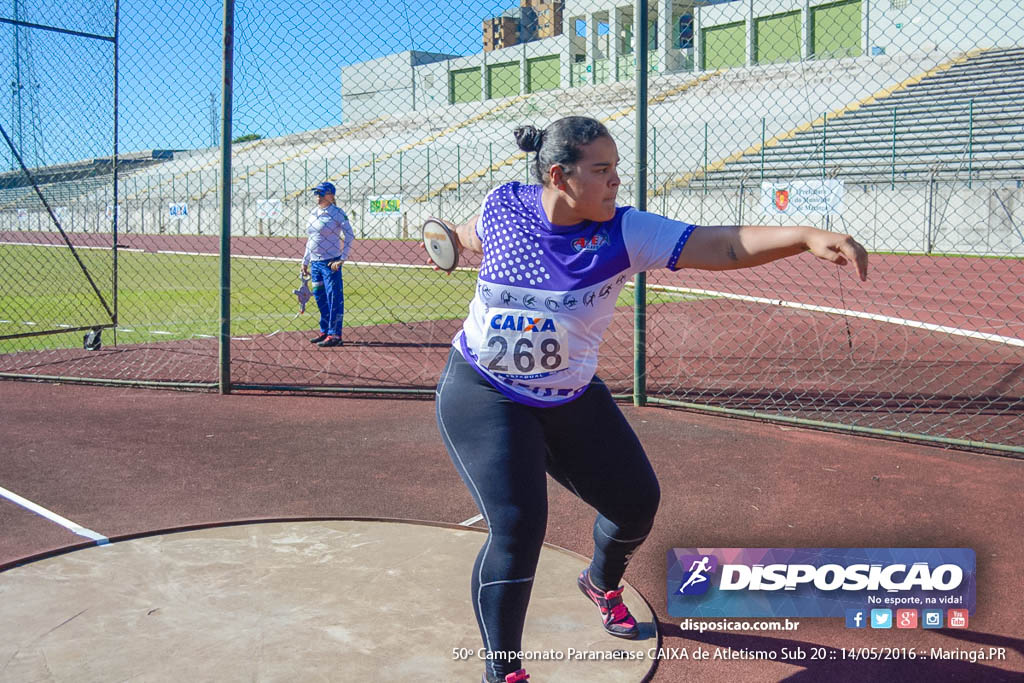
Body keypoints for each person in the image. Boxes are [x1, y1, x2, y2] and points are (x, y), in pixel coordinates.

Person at [432, 116, 868, 683]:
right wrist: (447, 237)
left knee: (636, 503)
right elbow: (471, 233)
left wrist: (803, 236)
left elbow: (723, 244)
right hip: (485, 393)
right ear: (560, 176)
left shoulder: (624, 231)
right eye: (603, 170)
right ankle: (503, 672)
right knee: (518, 527)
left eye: (616, 168)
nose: (616, 181)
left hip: (568, 395)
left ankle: (600, 583)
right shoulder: (504, 205)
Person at [302, 181, 354, 348]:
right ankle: (324, 330)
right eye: (316, 193)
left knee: (334, 298)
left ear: (330, 195)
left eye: (321, 193)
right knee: (319, 297)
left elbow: (349, 235)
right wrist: (305, 261)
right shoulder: (313, 213)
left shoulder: (337, 213)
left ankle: (335, 334)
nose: (317, 196)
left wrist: (342, 258)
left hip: (330, 262)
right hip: (315, 263)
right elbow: (311, 239)